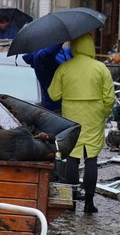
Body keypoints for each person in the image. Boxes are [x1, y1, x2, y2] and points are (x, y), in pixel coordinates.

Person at [48, 33, 115, 214]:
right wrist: (104, 113)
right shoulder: (101, 68)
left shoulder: (65, 68)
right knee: (91, 157)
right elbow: (109, 98)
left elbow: (54, 94)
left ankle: (71, 201)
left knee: (72, 157)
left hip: (71, 116)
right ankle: (89, 202)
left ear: (74, 46)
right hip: (94, 116)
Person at [22, 44, 72, 112]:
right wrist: (59, 40)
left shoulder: (64, 51)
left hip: (71, 102)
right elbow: (47, 53)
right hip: (55, 108)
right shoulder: (39, 57)